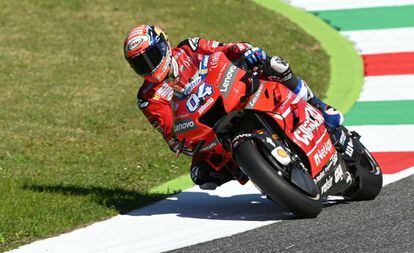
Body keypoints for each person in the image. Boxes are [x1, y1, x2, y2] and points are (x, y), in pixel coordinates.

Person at [124, 25, 343, 189]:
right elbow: (174, 138)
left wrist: (245, 52)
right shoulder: (148, 98)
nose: (150, 66)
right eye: (140, 63)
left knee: (274, 65)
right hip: (209, 130)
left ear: (164, 45)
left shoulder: (189, 48)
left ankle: (320, 107)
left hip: (234, 92)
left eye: (151, 57)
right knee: (202, 176)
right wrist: (188, 142)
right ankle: (258, 168)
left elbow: (224, 49)